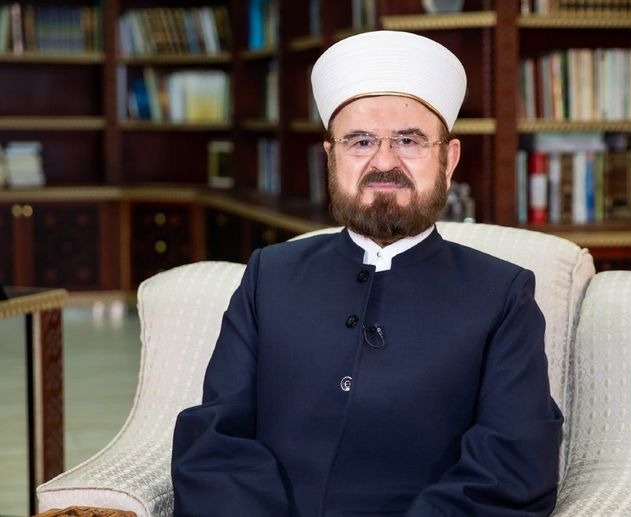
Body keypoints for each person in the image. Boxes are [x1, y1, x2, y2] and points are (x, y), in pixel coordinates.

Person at [171, 30, 563, 516]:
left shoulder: (503, 295)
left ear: (449, 160)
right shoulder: (269, 276)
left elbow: (512, 463)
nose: (384, 162)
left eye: (409, 141)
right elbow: (215, 439)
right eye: (360, 141)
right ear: (330, 158)